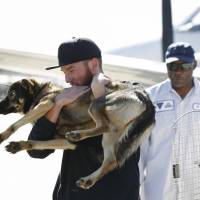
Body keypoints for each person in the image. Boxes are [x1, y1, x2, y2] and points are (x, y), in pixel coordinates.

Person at [28, 37, 140, 200]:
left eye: (71, 70)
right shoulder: (68, 101)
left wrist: (99, 91)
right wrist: (57, 106)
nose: (67, 79)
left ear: (94, 65)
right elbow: (36, 152)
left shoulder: (130, 93)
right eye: (64, 72)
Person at [139, 42, 200, 200]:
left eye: (184, 65)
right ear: (166, 66)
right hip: (159, 191)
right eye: (173, 66)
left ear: (194, 65)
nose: (178, 71)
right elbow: (140, 149)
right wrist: (133, 188)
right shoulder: (149, 98)